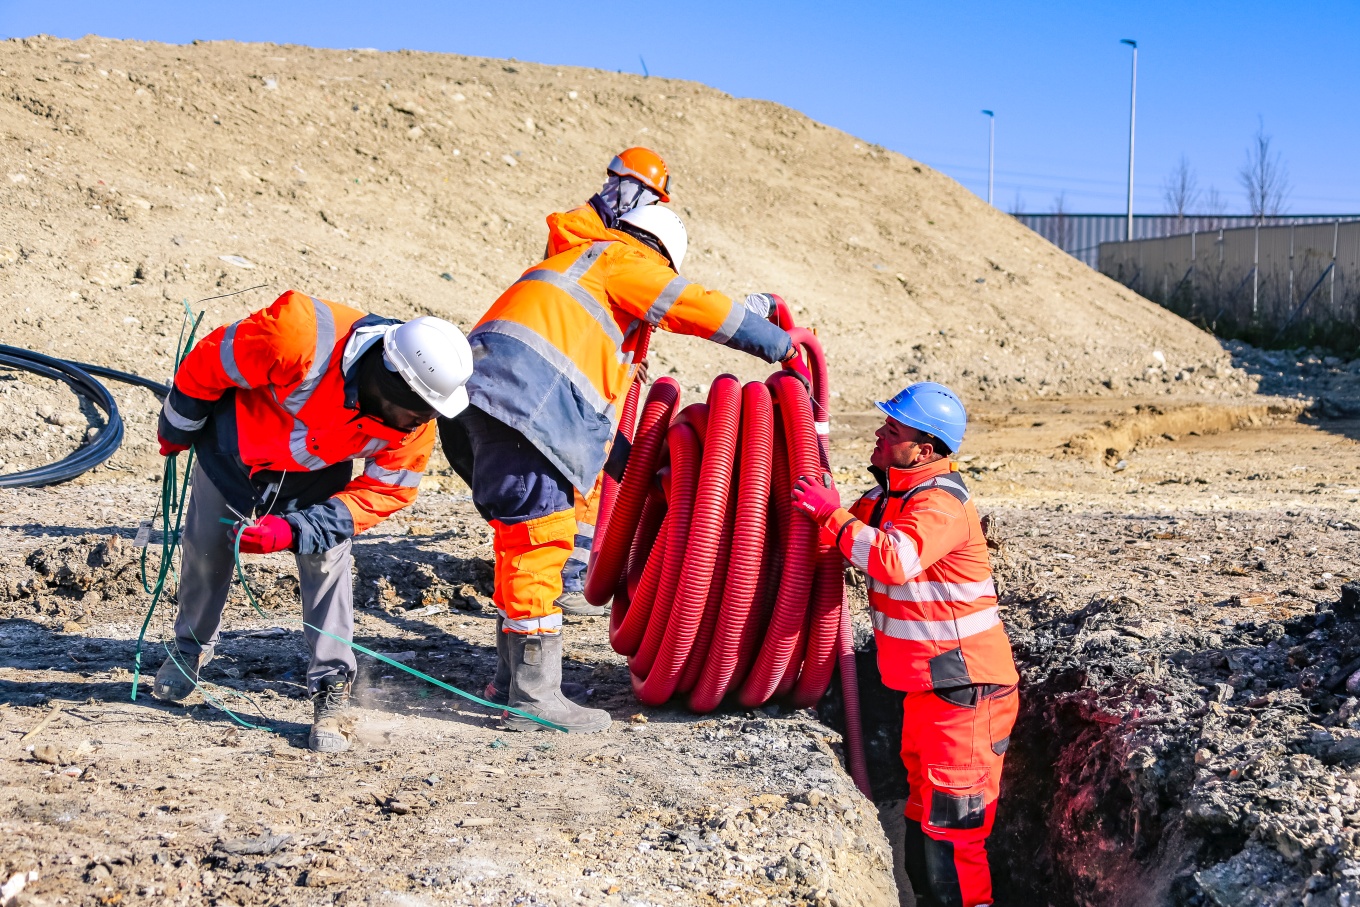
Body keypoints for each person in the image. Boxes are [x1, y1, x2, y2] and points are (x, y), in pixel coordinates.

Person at [440, 205, 795, 733]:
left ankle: (509, 682)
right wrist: (776, 342)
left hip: (478, 405)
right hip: (523, 408)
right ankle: (534, 698)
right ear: (658, 255)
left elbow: (590, 413)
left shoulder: (571, 273)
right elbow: (692, 304)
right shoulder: (620, 259)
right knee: (539, 542)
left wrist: (640, 466)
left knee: (519, 542)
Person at [152, 290, 473, 753]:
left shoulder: (414, 425)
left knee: (326, 561)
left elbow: (388, 491)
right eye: (416, 409)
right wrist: (178, 425)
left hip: (318, 475)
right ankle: (187, 653)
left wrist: (297, 529)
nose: (421, 422)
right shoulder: (294, 336)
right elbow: (209, 362)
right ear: (387, 381)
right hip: (233, 452)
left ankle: (331, 690)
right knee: (205, 550)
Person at [790, 382, 1019, 907]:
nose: (878, 432)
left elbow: (893, 558)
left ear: (925, 449)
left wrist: (831, 514)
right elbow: (834, 533)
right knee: (921, 830)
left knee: (952, 842)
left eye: (892, 429)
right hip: (927, 692)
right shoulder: (886, 499)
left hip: (967, 695)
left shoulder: (941, 502)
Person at [541, 147, 671, 617]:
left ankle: (576, 573)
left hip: (603, 372)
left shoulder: (624, 238)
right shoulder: (581, 229)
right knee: (579, 478)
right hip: (573, 371)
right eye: (647, 196)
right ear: (623, 183)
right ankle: (567, 579)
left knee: (598, 477)